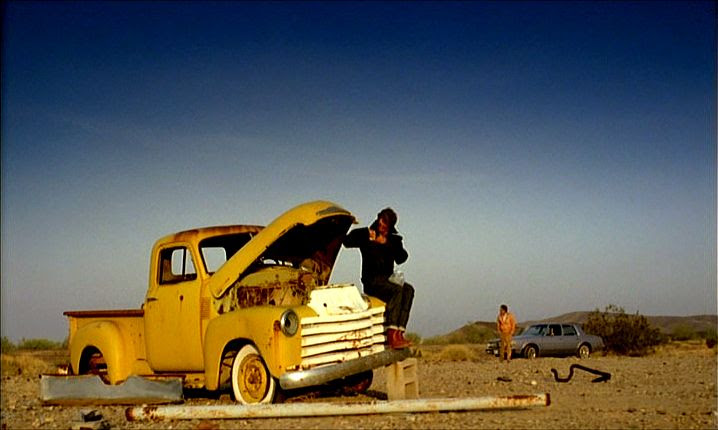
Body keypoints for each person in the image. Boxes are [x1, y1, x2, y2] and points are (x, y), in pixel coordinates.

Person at [343, 208, 414, 349]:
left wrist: (387, 243)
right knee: (397, 291)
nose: (382, 225)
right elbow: (346, 241)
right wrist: (365, 234)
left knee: (409, 290)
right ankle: (391, 334)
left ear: (390, 226)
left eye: (385, 224)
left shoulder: (393, 240)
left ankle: (399, 333)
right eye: (381, 221)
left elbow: (402, 258)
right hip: (372, 281)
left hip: (388, 279)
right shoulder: (367, 235)